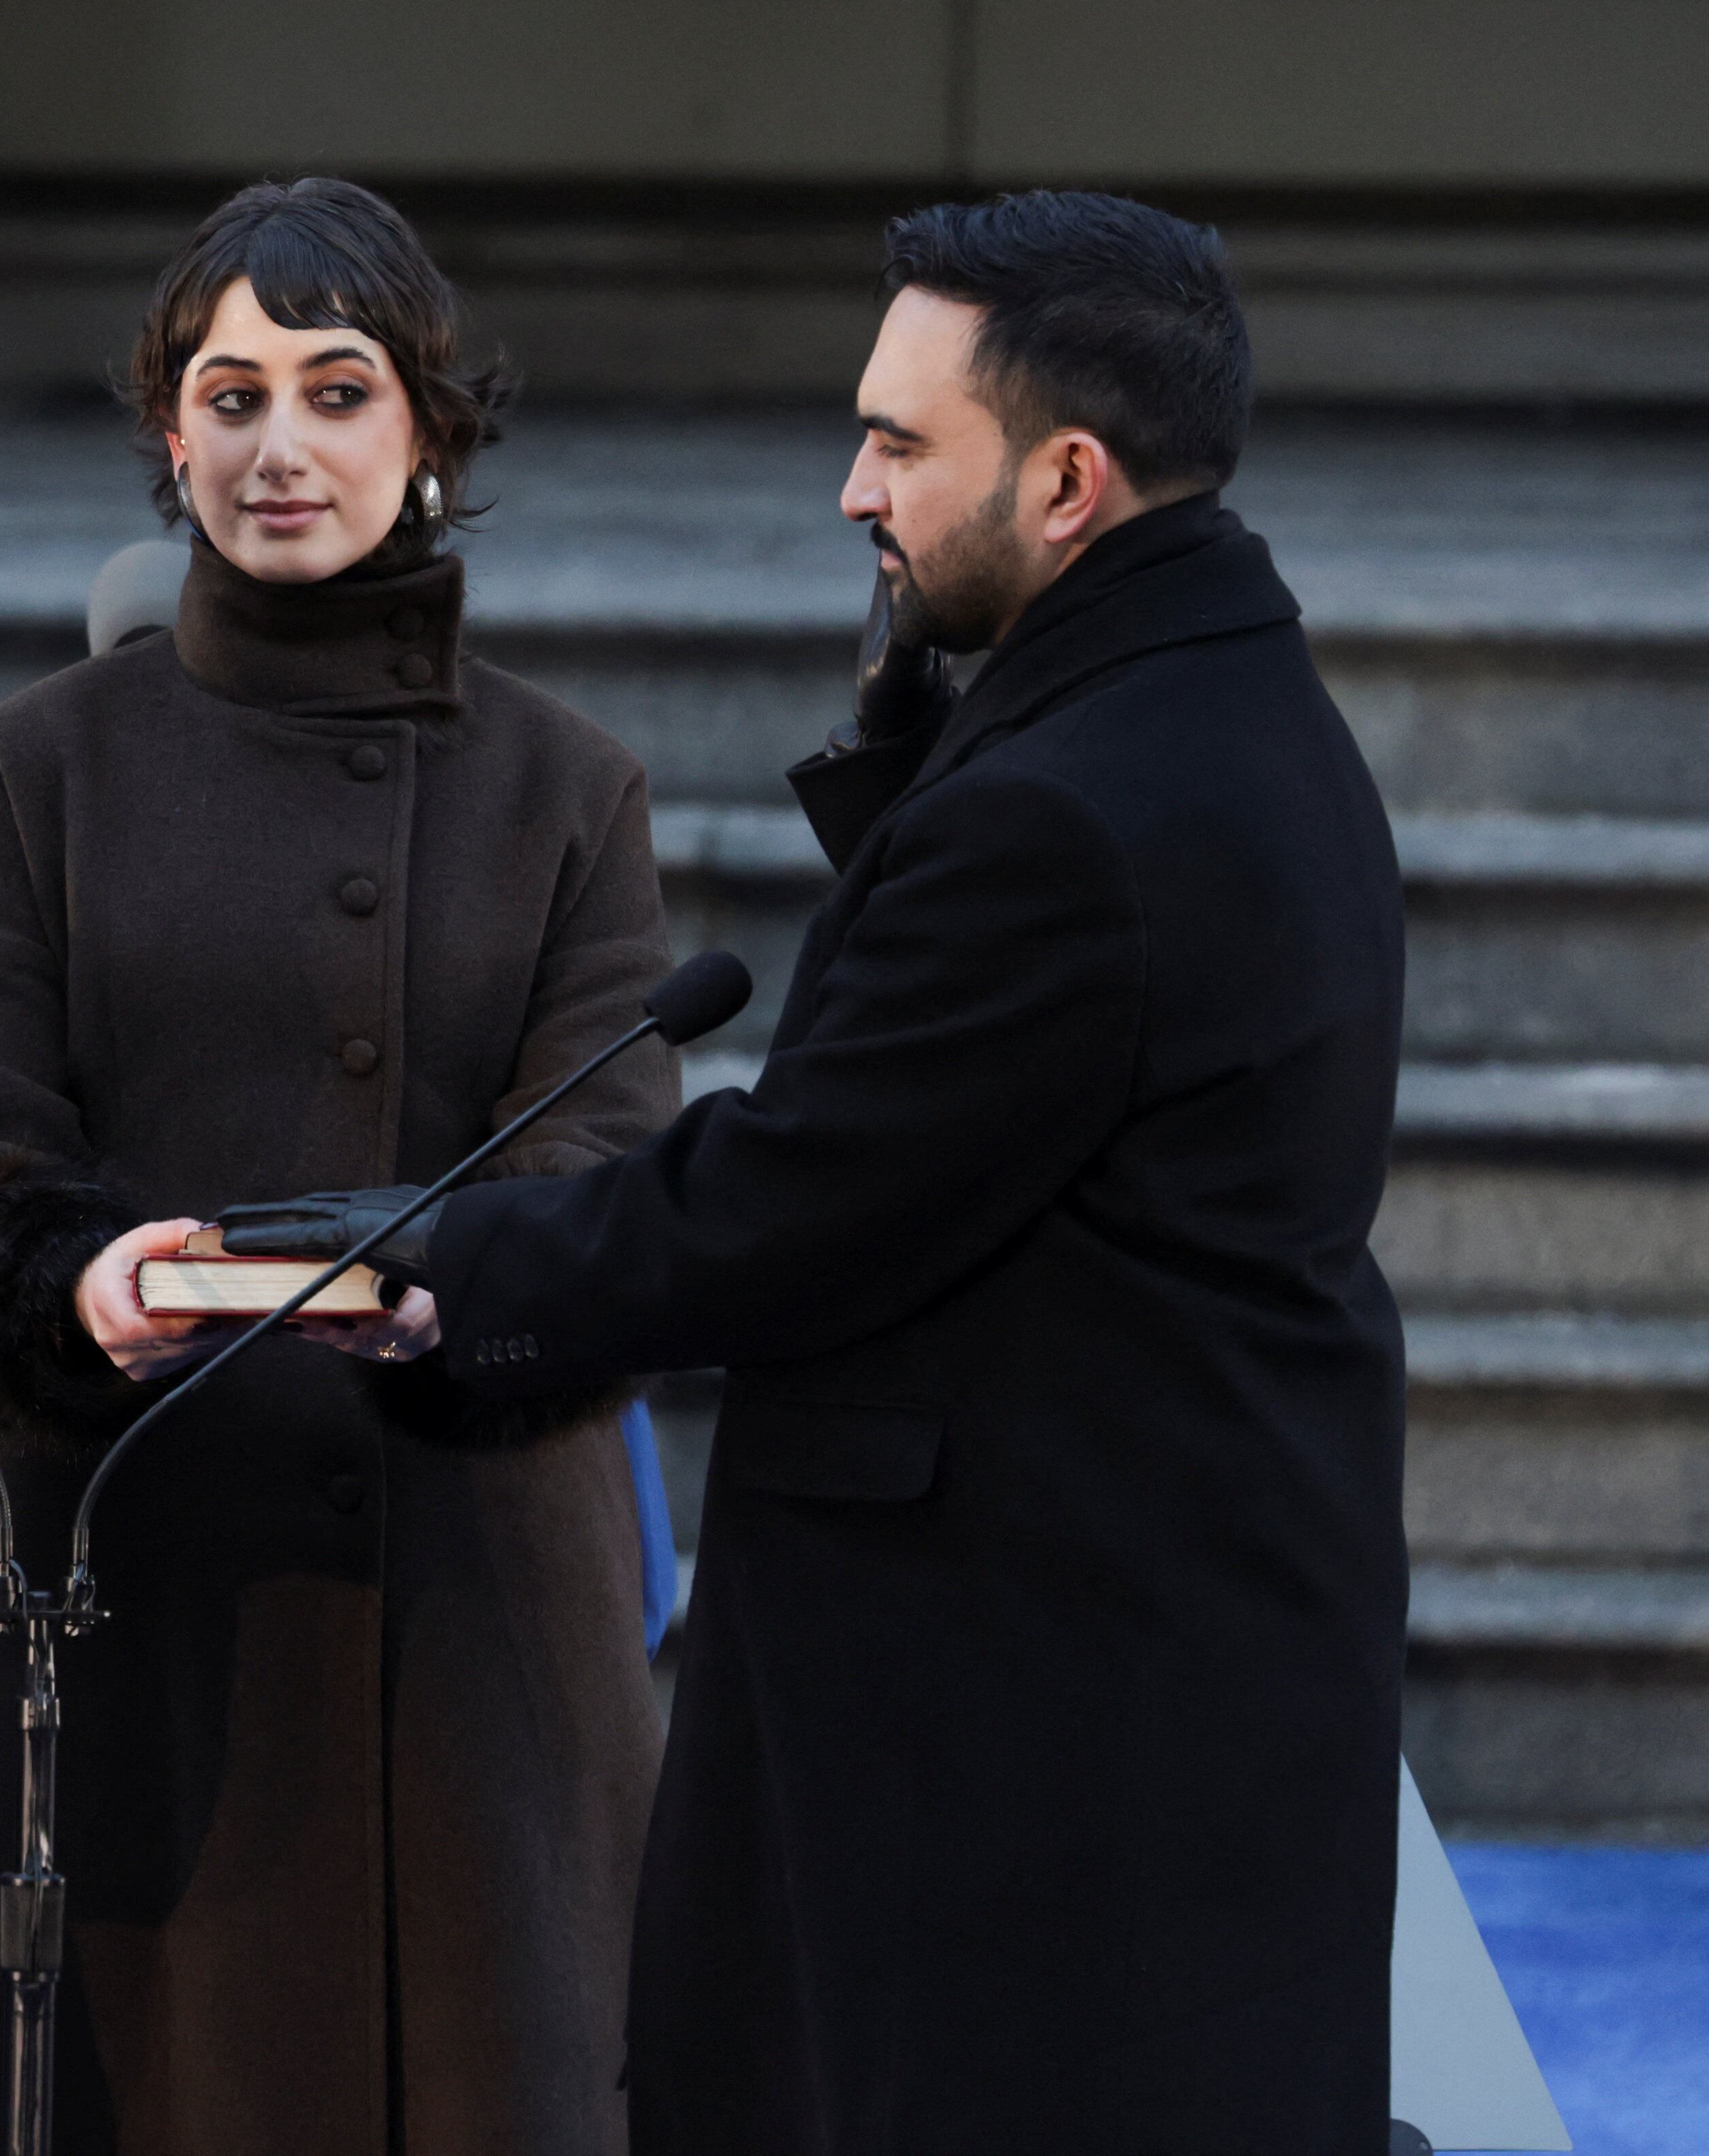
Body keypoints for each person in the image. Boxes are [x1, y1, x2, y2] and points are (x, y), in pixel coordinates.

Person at [224, 192, 1411, 2151]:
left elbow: (799, 1198)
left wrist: (448, 1263)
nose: (852, 488)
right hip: (1150, 1645)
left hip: (1027, 1704)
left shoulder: (1070, 806)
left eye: (897, 442)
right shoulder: (1212, 703)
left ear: (1066, 482)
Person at [0, 178, 681, 2156]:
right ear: (168, 436)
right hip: (97, 1563)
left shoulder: (568, 785)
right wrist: (71, 1284)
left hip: (454, 1601)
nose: (281, 447)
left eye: (338, 391)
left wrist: (467, 1280)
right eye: (231, 392)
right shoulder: (41, 764)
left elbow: (613, 1159)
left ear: (428, 436)